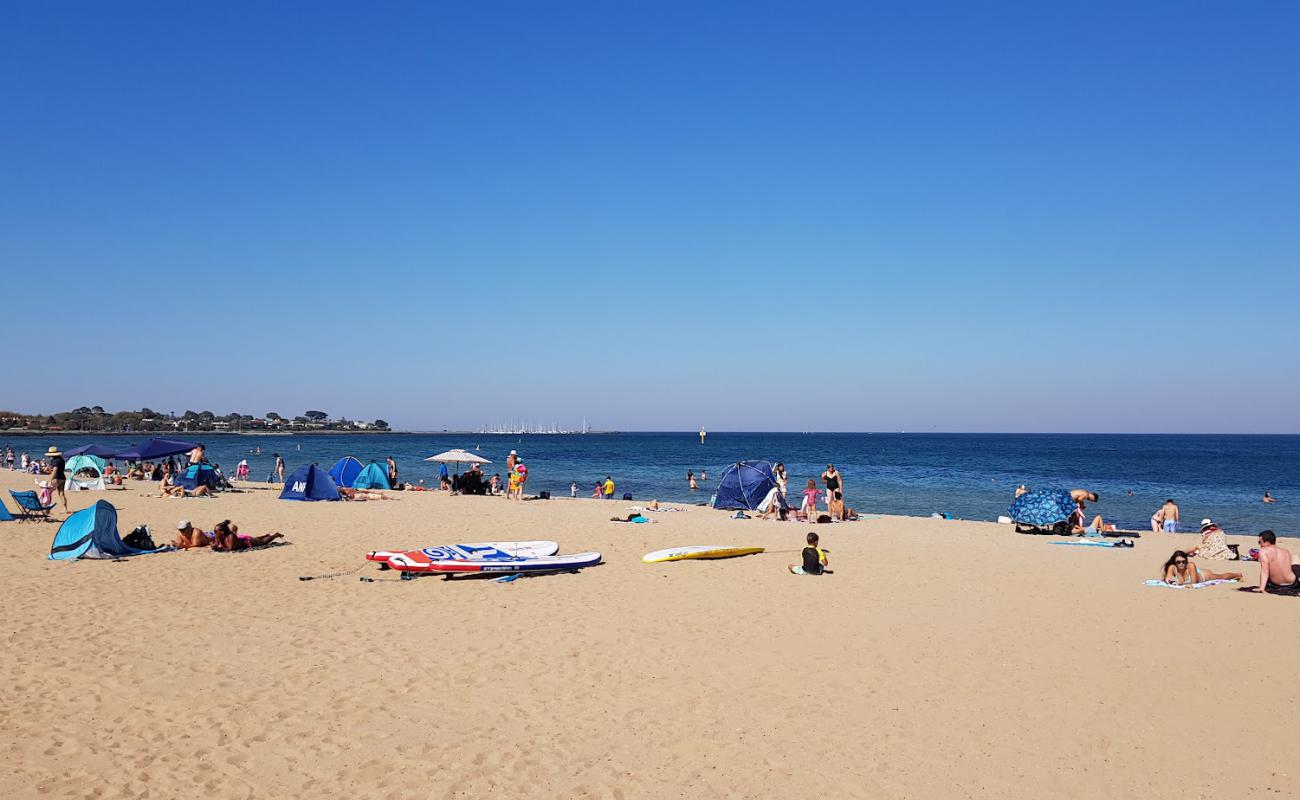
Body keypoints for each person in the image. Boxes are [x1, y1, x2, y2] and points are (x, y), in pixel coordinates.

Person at [1161, 550, 1242, 585]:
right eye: (1178, 562)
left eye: (1183, 561)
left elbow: (1194, 583)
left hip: (1204, 575)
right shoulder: (1172, 567)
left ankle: (1238, 575)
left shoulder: (1190, 565)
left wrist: (1180, 583)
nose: (1181, 564)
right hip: (1196, 573)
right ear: (1175, 562)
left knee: (1222, 577)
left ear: (1186, 561)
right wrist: (1172, 581)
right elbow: (1168, 578)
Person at [212, 520, 283, 551]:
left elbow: (231, 548)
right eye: (215, 530)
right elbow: (216, 545)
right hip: (244, 540)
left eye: (216, 531)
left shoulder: (231, 536)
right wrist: (215, 544)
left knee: (263, 542)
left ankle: (275, 535)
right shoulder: (219, 536)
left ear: (222, 531)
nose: (215, 532)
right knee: (257, 539)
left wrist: (217, 547)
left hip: (248, 542)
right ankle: (265, 535)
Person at [45, 446, 68, 512]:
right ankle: (65, 508)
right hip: (62, 477)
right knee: (61, 493)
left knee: (48, 492)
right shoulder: (61, 459)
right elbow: (57, 470)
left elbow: (55, 470)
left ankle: (47, 509)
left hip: (56, 478)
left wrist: (50, 479)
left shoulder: (55, 460)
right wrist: (49, 469)